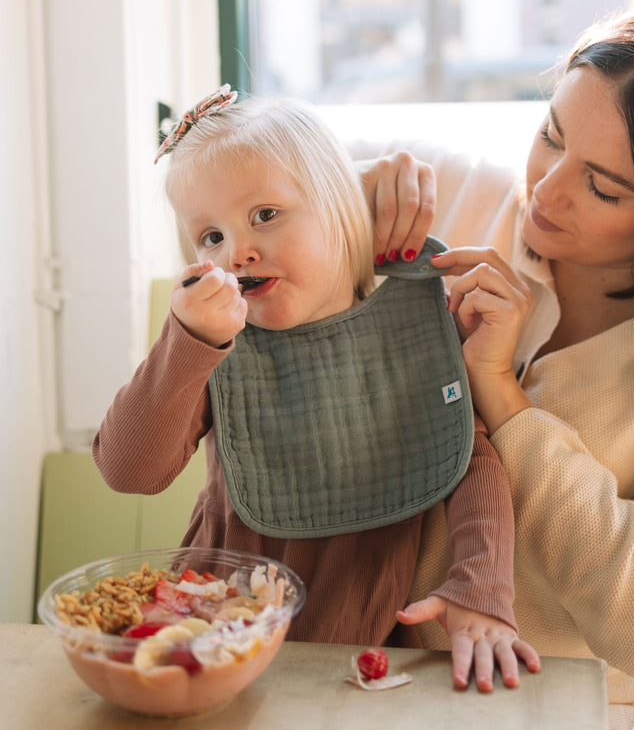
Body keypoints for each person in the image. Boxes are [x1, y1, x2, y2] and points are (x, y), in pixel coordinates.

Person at [357, 0, 634, 729]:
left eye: (603, 186)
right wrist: (323, 203)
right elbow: (220, 194)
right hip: (399, 688)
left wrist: (505, 399)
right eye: (550, 135)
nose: (547, 190)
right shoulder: (469, 199)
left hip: (602, 708)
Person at [92, 89, 539, 692]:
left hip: (357, 658)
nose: (237, 251)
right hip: (208, 633)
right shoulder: (213, 347)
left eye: (265, 215)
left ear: (341, 211)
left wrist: (479, 585)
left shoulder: (411, 322)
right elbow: (128, 471)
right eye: (209, 237)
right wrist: (186, 341)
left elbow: (468, 462)